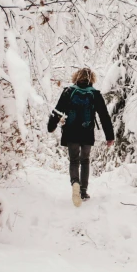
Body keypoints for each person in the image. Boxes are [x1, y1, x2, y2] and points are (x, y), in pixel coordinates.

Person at [47, 67, 114, 207]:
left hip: (71, 132)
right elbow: (104, 116)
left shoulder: (68, 92)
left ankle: (75, 184)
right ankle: (83, 191)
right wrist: (109, 136)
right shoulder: (95, 94)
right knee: (85, 160)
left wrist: (51, 126)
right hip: (86, 132)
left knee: (74, 161)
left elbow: (58, 110)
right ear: (92, 79)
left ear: (76, 77)